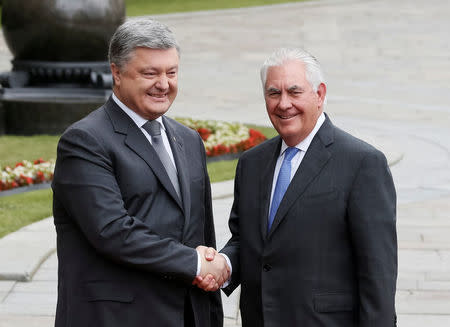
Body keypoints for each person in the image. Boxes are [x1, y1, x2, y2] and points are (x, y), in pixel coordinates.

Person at [52, 18, 229, 327]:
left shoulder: (188, 140)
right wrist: (196, 263)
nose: (164, 84)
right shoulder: (85, 141)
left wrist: (211, 307)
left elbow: (202, 233)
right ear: (116, 73)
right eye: (150, 73)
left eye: (171, 72)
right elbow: (112, 231)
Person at [218, 48, 397, 326]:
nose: (283, 103)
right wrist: (222, 266)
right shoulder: (251, 163)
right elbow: (245, 241)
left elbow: (378, 273)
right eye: (274, 93)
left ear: (320, 94)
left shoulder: (362, 163)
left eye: (294, 91)